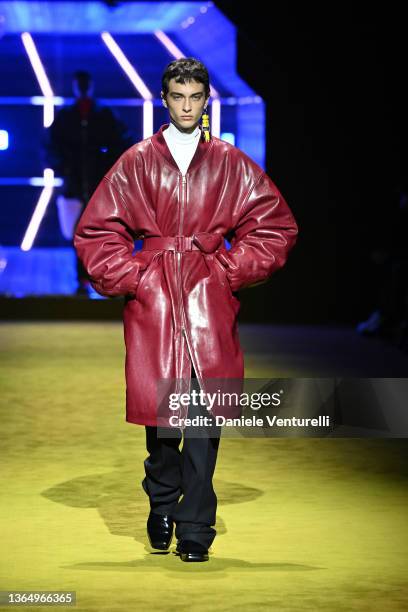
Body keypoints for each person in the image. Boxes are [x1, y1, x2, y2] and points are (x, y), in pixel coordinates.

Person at [73, 58, 299, 561]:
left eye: (196, 97)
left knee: (203, 421)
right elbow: (95, 231)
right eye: (178, 96)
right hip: (154, 307)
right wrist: (136, 277)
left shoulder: (229, 163)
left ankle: (196, 528)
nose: (187, 106)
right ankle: (161, 505)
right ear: (165, 98)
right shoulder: (136, 161)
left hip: (209, 302)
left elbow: (275, 226)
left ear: (205, 100)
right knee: (163, 428)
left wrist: (230, 271)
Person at [46, 70, 133, 294]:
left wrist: (107, 166)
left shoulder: (104, 115)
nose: (83, 89)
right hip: (76, 185)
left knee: (97, 234)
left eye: (85, 84)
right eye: (80, 84)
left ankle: (93, 277)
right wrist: (65, 167)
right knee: (78, 233)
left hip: (97, 184)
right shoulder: (67, 116)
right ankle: (83, 279)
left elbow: (122, 143)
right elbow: (50, 147)